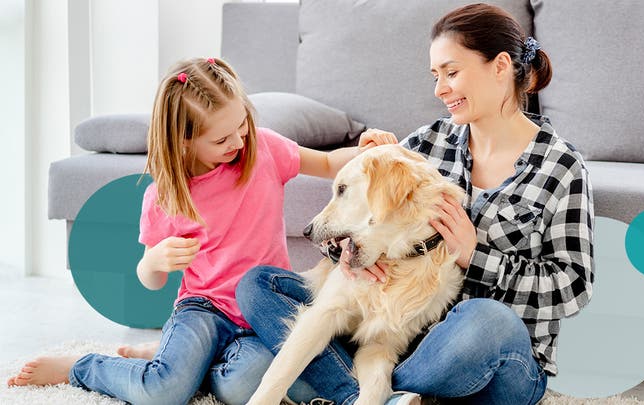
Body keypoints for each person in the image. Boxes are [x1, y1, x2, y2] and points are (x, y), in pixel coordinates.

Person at [238, 3, 594, 405]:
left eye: (452, 72)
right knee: (257, 285)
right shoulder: (427, 142)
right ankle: (383, 395)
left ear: (500, 67)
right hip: (404, 338)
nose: (439, 89)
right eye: (436, 75)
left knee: (486, 319)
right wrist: (350, 251)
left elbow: (574, 286)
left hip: (496, 357)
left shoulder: (561, 165)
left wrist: (473, 255)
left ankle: (350, 385)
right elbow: (357, 207)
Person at [6, 57, 396, 405]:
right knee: (162, 393)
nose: (239, 141)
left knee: (247, 387)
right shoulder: (165, 198)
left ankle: (181, 362)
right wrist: (155, 259)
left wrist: (367, 152)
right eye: (222, 139)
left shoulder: (262, 151)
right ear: (183, 141)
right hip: (202, 309)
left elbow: (329, 164)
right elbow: (150, 279)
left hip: (258, 315)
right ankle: (84, 367)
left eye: (242, 125)